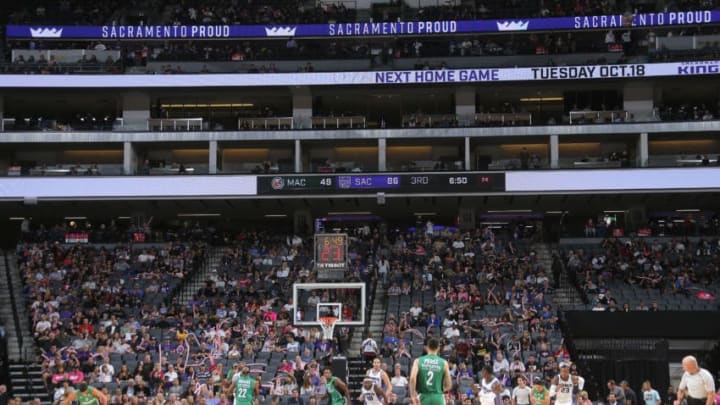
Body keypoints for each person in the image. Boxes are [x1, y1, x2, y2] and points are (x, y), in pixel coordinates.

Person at [409, 338, 452, 405]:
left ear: (427, 347)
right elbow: (449, 385)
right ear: (438, 348)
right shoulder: (444, 363)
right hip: (438, 397)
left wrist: (412, 395)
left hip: (424, 396)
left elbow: (412, 378)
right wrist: (440, 390)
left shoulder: (418, 361)